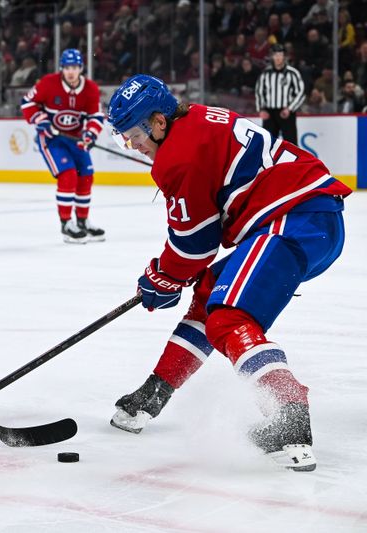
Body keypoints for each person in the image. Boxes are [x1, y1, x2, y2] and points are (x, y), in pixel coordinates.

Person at [105, 74, 351, 471]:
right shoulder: (196, 119)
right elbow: (203, 245)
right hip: (310, 219)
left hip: (291, 220)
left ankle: (289, 417)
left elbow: (195, 245)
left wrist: (162, 276)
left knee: (228, 318)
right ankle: (154, 394)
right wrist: (174, 274)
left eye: (134, 133)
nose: (131, 143)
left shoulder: (178, 154)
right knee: (209, 292)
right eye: (123, 137)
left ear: (158, 122)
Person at [20, 48, 105, 244]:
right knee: (68, 175)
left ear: (81, 68)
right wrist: (41, 120)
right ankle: (66, 223)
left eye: (74, 67)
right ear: (61, 69)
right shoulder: (48, 83)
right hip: (52, 139)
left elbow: (95, 116)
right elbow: (27, 103)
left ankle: (82, 221)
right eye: (67, 67)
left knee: (86, 175)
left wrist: (90, 134)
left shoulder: (91, 88)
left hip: (76, 139)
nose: (71, 71)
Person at [255, 44, 305, 145]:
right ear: (272, 57)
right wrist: (261, 109)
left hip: (286, 112)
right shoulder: (265, 73)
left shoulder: (292, 73)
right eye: (275, 55)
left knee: (291, 144)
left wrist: (290, 108)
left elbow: (301, 92)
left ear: (284, 57)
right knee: (267, 143)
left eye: (280, 55)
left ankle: (292, 161)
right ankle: (268, 161)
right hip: (269, 112)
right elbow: (259, 91)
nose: (278, 58)